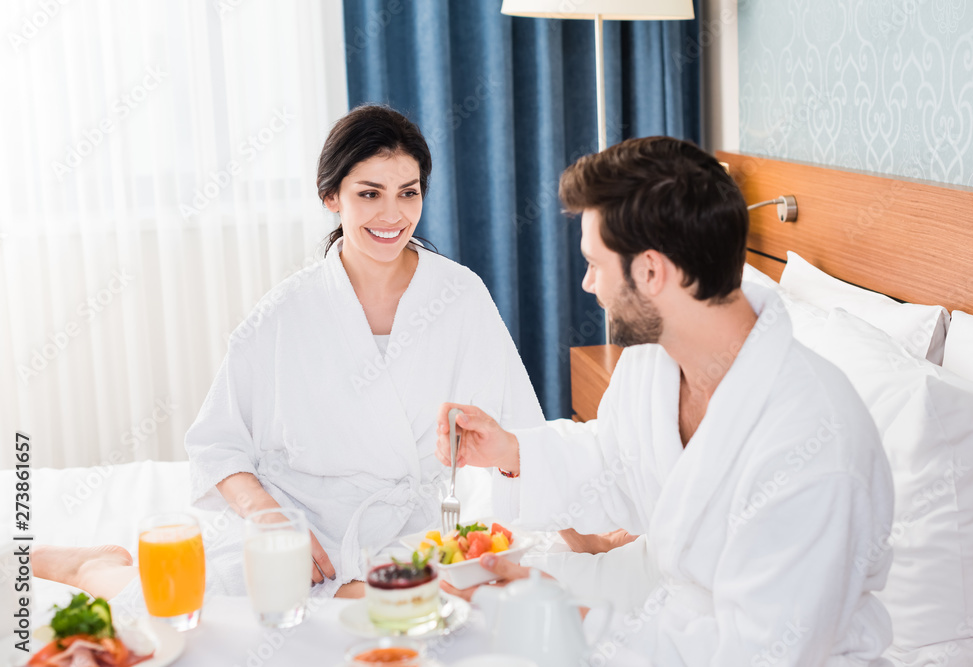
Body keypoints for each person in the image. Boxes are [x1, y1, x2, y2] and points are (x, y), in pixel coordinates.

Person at [33, 105, 546, 602]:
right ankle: (89, 564)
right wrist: (270, 518)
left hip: (414, 536)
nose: (393, 214)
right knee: (191, 611)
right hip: (302, 524)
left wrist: (582, 533)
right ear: (331, 197)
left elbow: (523, 434)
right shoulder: (286, 312)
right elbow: (216, 446)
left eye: (408, 193)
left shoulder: (459, 295)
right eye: (369, 193)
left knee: (449, 613)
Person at [435, 137, 895, 665]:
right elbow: (615, 463)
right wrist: (509, 450)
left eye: (594, 264)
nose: (587, 284)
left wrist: (565, 620)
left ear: (651, 272)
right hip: (663, 626)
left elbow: (757, 654)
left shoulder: (814, 444)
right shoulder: (655, 360)